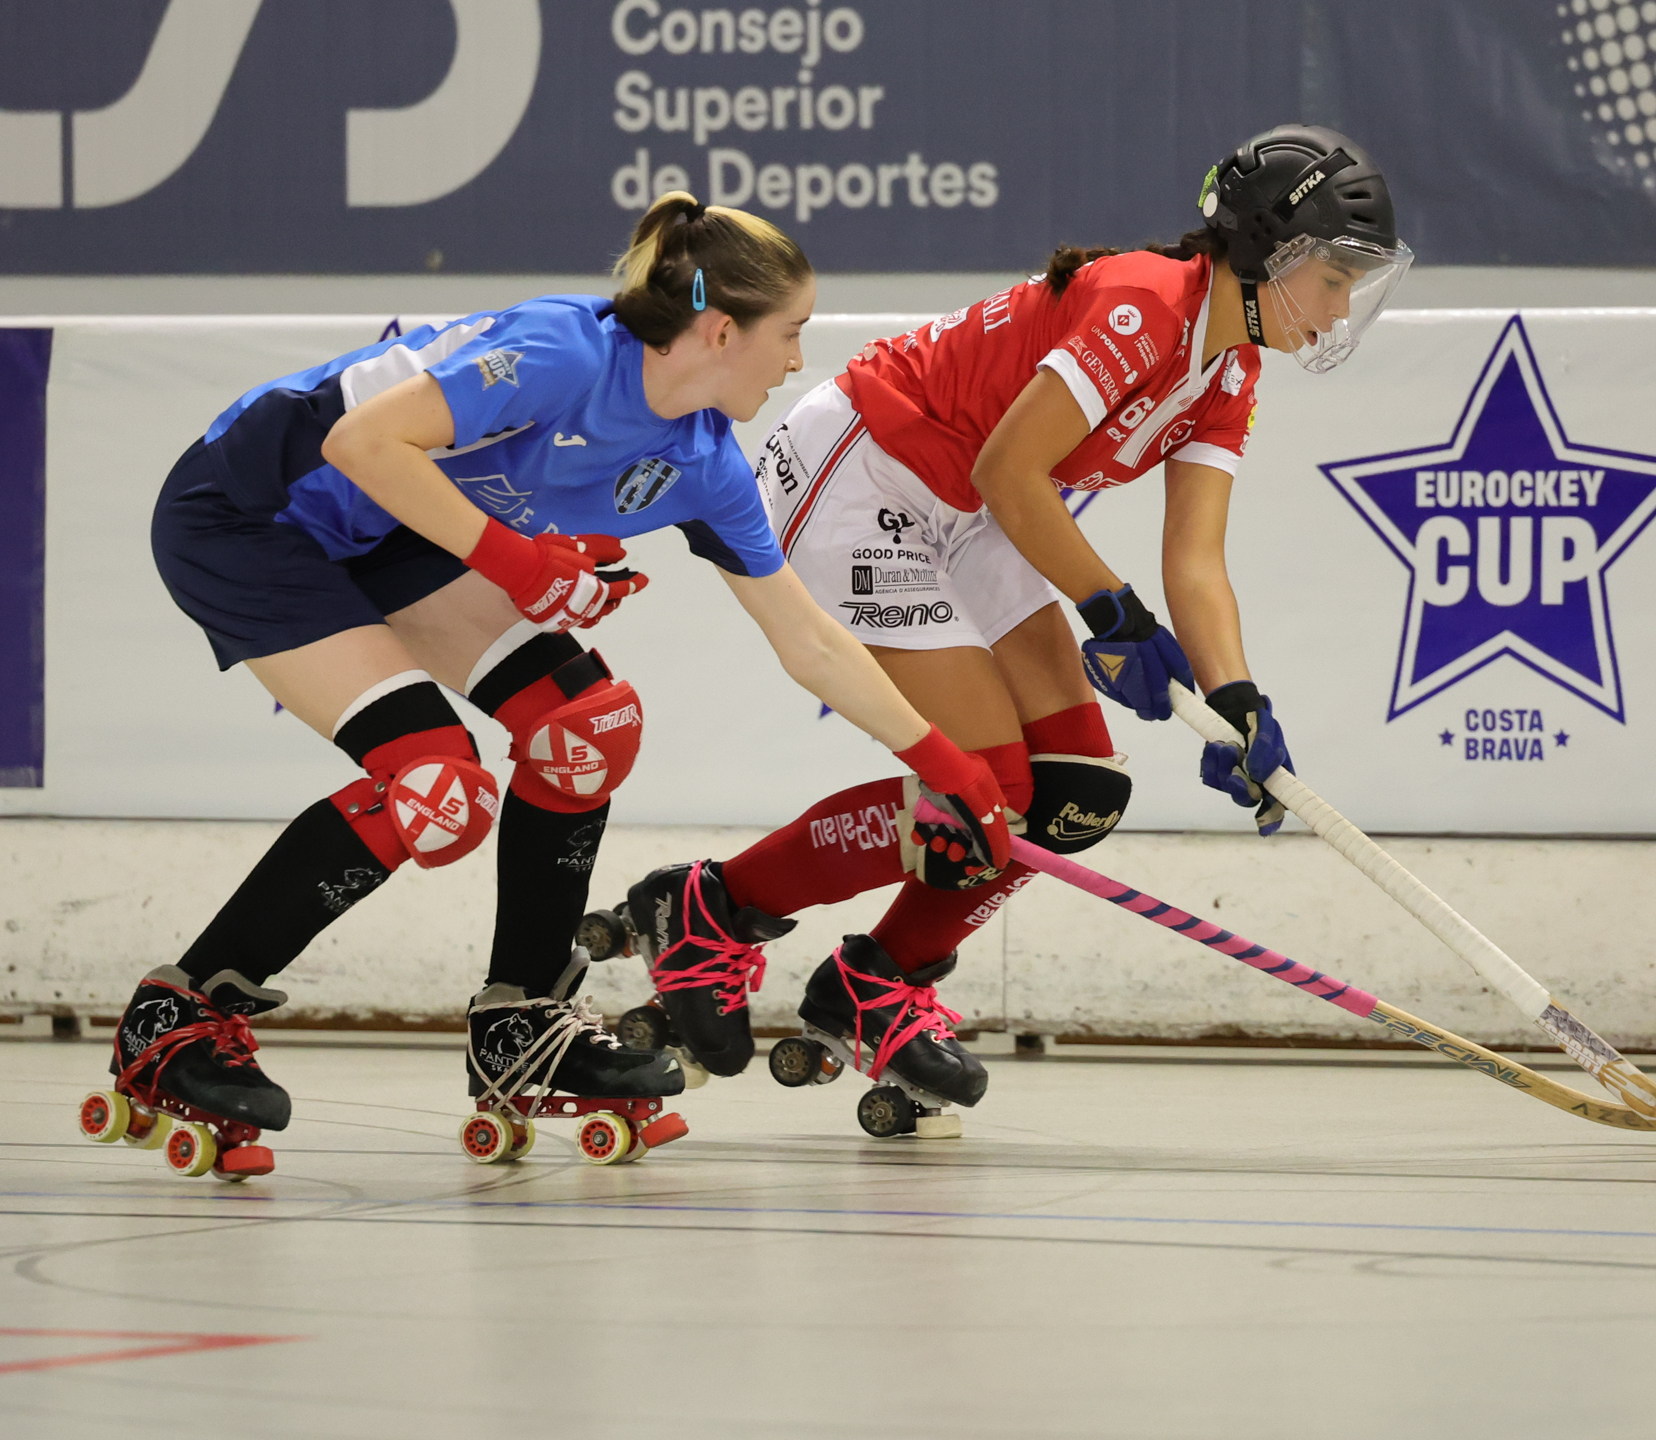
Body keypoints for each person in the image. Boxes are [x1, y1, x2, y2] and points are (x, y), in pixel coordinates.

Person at [90, 192, 1011, 1176]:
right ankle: (178, 1015)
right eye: (790, 333)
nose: (795, 362)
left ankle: (520, 1022)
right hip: (252, 514)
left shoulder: (704, 462)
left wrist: (945, 762)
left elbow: (810, 640)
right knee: (437, 790)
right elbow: (358, 445)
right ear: (719, 330)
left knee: (586, 729)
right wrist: (522, 564)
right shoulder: (564, 352)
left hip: (393, 530)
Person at [613, 126, 1413, 1122]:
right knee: (984, 789)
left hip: (970, 506)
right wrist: (1110, 611)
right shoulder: (1145, 305)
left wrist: (1239, 700)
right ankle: (711, 908)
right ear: (1266, 252)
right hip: (866, 471)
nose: (1340, 308)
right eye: (1334, 280)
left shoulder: (1231, 371)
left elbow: (1196, 559)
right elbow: (1010, 470)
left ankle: (877, 980)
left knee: (1076, 792)